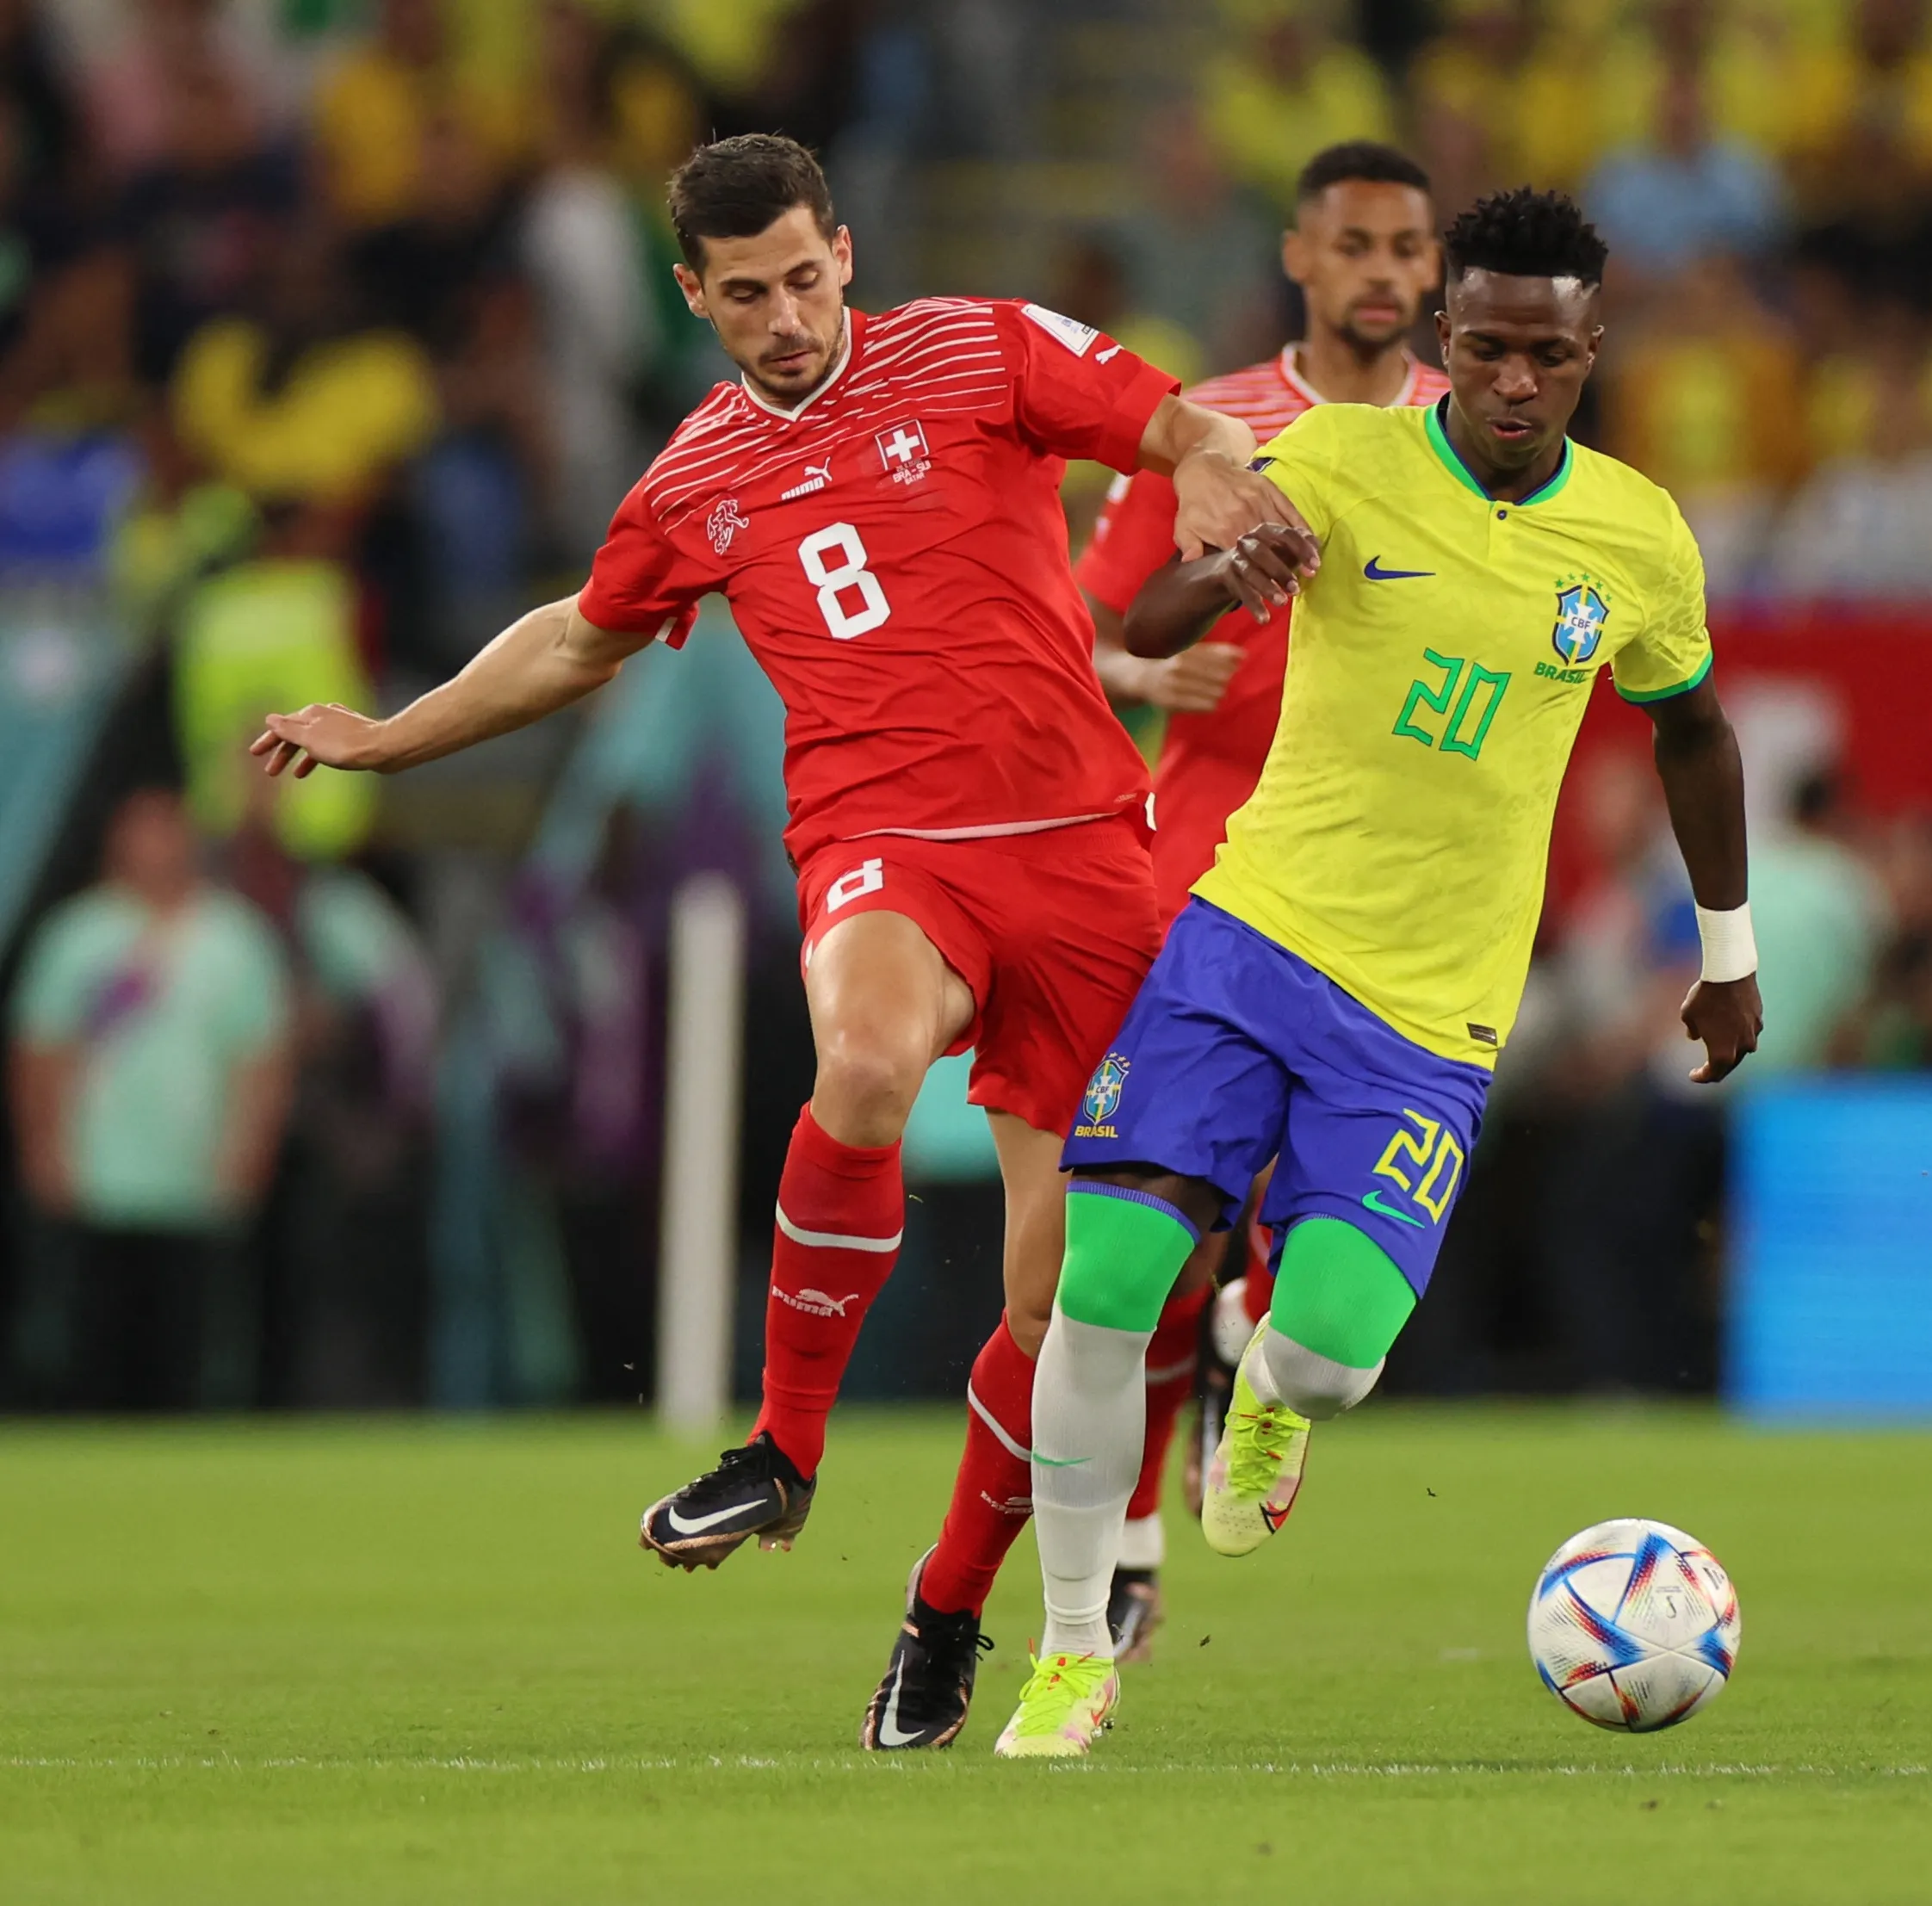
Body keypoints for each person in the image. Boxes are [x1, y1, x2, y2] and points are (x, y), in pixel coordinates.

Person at [249, 133, 1284, 1748]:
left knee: (1065, 1310)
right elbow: (576, 639)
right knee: (863, 1060)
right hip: (886, 844)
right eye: (747, 294)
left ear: (844, 251)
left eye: (804, 276)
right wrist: (392, 732)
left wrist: (1213, 456)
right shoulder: (694, 475)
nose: (785, 315)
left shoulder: (976, 347)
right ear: (694, 296)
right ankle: (781, 1448)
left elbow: (1169, 419)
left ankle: (944, 1606)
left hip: (1087, 857)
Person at [995, 187, 1763, 1758]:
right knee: (1100, 1286)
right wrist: (1230, 573)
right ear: (1442, 337)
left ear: (1588, 351)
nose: (1507, 381)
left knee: (1338, 1358)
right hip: (1248, 936)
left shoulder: (1633, 532)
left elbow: (1688, 727)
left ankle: (1265, 1386)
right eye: (1479, 346)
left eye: (1541, 355)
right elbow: (1149, 614)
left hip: (1429, 1015)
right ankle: (1071, 1650)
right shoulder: (1333, 459)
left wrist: (1726, 954)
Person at [1073, 136, 1445, 1662]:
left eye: (1403, 249)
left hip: (1386, 876)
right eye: (1349, 244)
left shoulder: (1467, 436)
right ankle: (1138, 1536)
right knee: (1152, 1216)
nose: (1378, 273)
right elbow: (1071, 636)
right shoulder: (1209, 431)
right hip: (1203, 847)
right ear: (1298, 256)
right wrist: (1147, 669)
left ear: (1433, 269)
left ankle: (1259, 1351)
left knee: (1305, 1212)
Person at [7, 788, 292, 1408]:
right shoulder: (77, 937)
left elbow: (261, 1059)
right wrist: (44, 1147)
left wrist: (248, 1150)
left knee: (189, 1341)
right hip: (101, 1173)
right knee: (95, 1336)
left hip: (192, 1176)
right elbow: (40, 1053)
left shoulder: (233, 940)